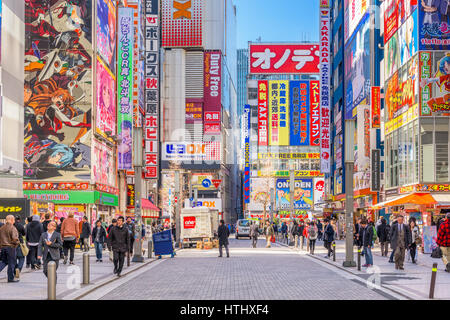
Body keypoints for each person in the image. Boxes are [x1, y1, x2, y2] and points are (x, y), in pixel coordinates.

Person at [0, 215, 20, 282]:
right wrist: (17, 243)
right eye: (14, 219)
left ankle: (10, 278)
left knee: (4, 261)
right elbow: (15, 239)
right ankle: (10, 278)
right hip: (10, 247)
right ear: (12, 220)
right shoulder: (12, 228)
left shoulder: (2, 228)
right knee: (12, 262)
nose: (14, 221)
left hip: (3, 247)